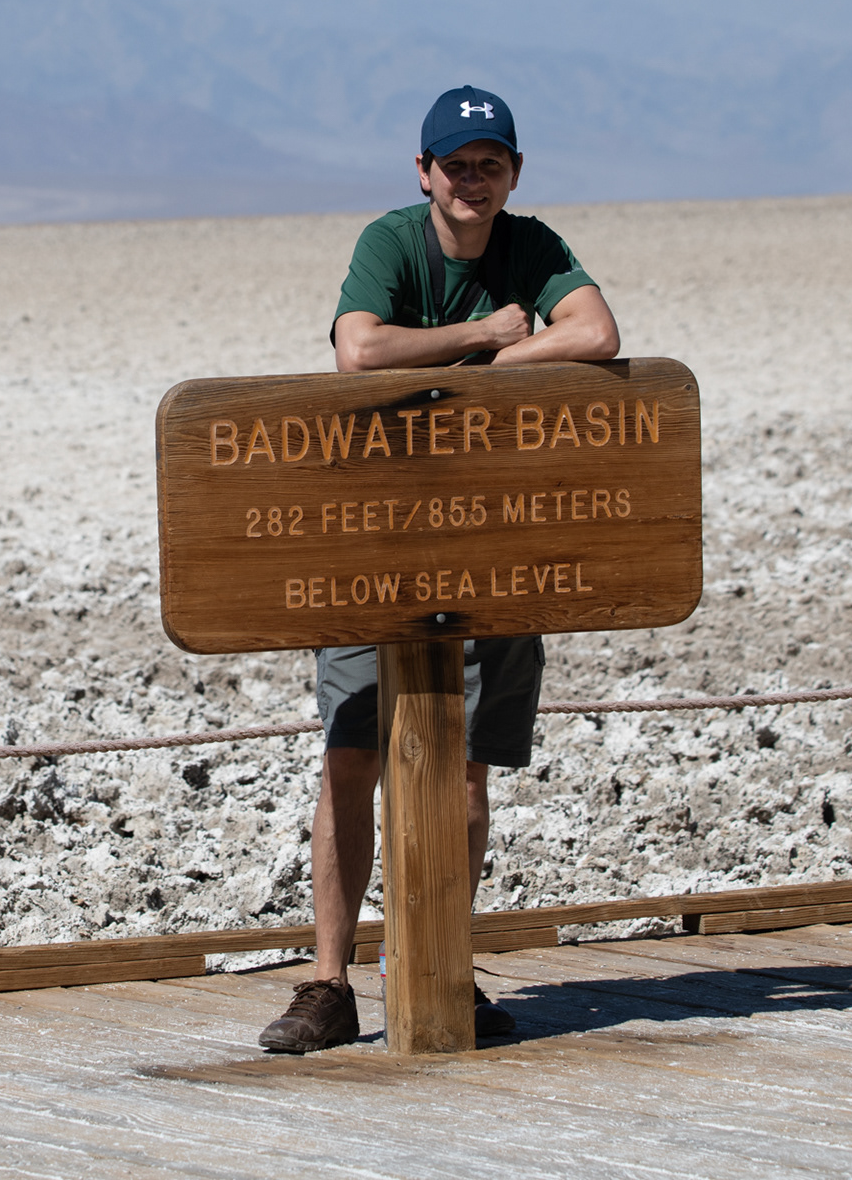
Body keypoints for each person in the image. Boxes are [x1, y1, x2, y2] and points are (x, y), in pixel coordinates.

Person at [258, 84, 620, 1052]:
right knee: (350, 757)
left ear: (513, 173)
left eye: (488, 164)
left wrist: (507, 362)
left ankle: (440, 968)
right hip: (371, 544)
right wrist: (479, 337)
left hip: (487, 545)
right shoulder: (391, 243)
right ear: (423, 172)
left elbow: (598, 331)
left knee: (464, 777)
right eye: (455, 164)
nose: (471, 180)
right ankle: (329, 981)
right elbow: (358, 349)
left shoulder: (531, 246)